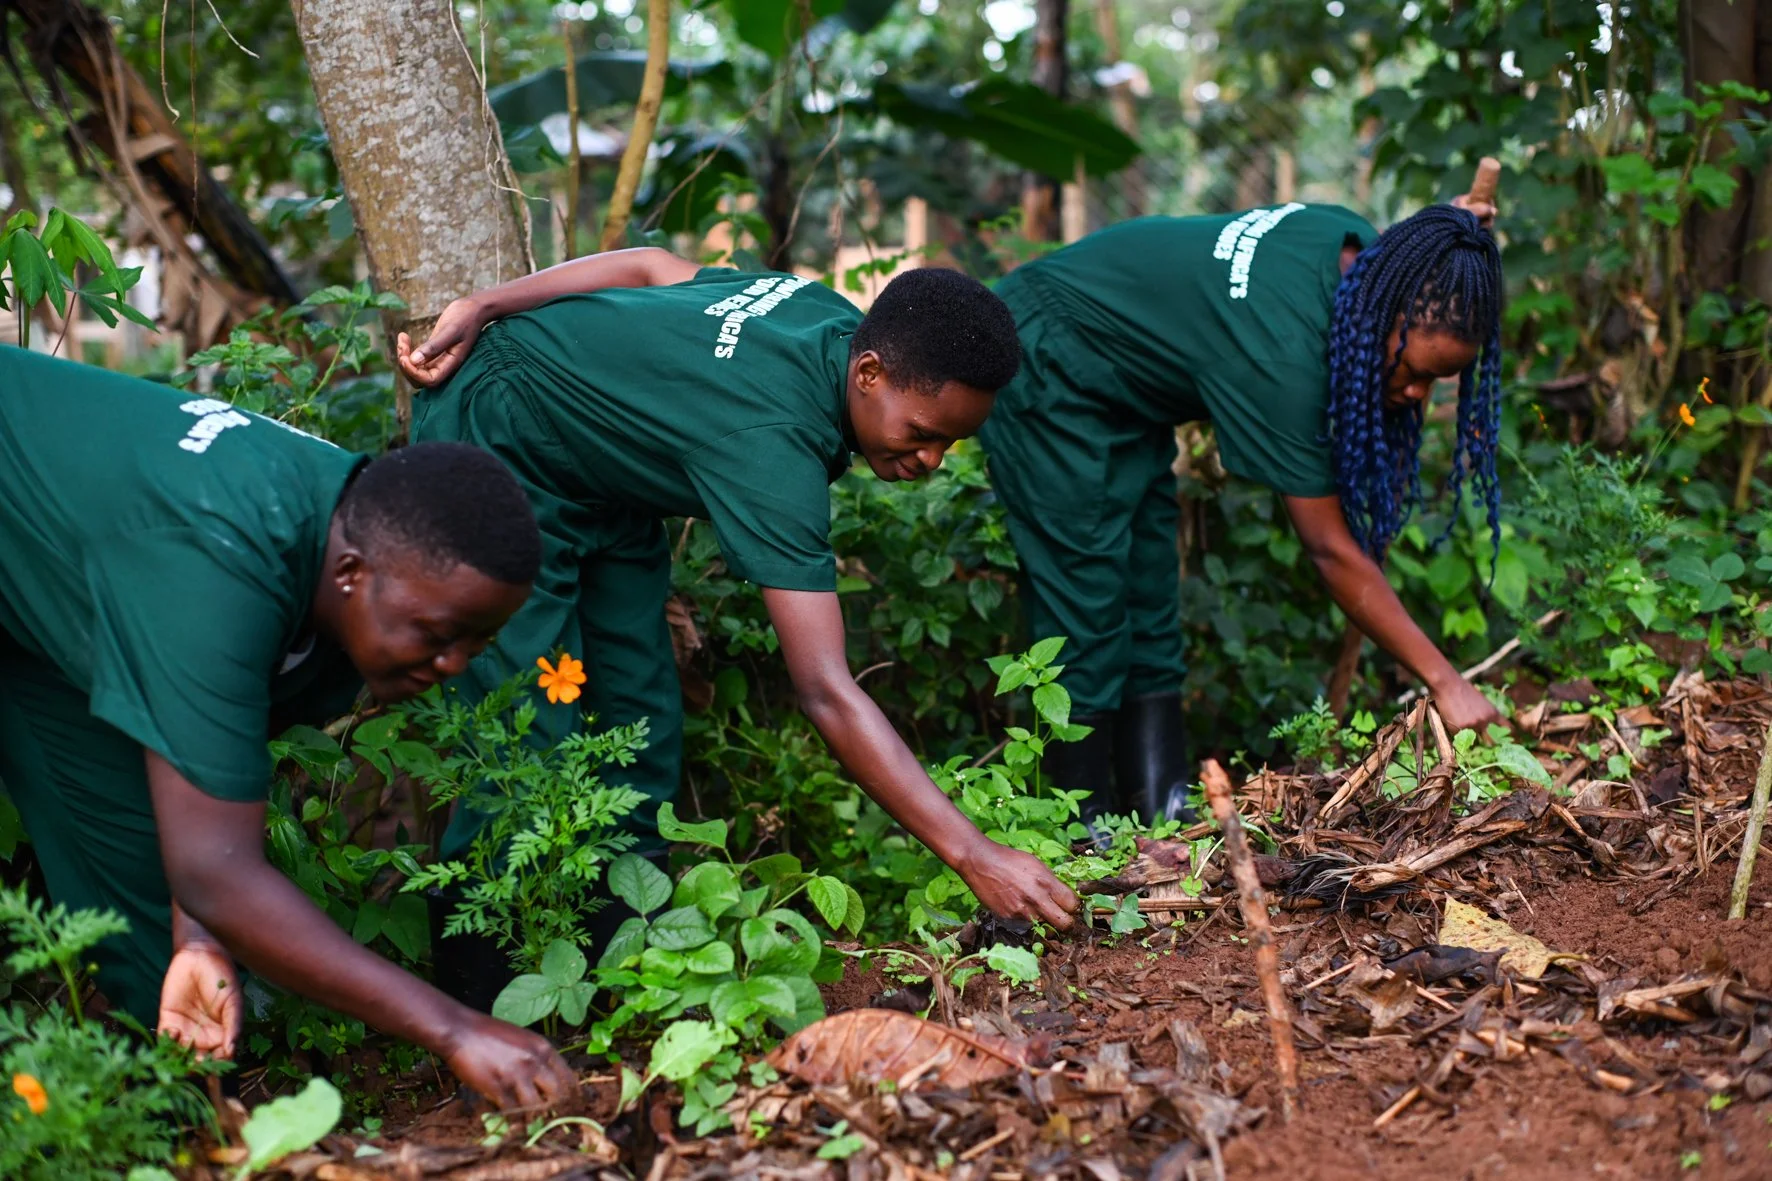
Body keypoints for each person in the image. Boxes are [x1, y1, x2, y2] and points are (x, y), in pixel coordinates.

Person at [395, 252, 1083, 990]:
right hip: (498, 437)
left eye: (951, 442)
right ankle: (476, 1012)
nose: (932, 459)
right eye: (921, 432)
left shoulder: (833, 326)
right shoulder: (773, 443)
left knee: (640, 716)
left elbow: (653, 266)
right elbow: (825, 689)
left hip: (604, 477)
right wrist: (972, 852)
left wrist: (488, 297)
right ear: (871, 373)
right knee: (525, 741)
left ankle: (609, 976)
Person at [0, 346, 576, 1110]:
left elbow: (204, 793)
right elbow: (216, 871)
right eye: (439, 632)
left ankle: (175, 1127)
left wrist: (199, 937)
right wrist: (454, 1028)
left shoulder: (350, 534)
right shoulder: (217, 567)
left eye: (477, 642)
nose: (452, 663)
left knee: (141, 886)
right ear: (350, 577)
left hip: (46, 580)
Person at [976, 199, 1505, 826]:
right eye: (1416, 371)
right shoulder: (1286, 357)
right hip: (1049, 357)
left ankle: (1160, 811)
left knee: (1148, 589)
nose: (1418, 393)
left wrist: (1452, 230)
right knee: (1084, 601)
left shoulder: (1367, 253)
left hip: (1127, 389)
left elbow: (1414, 252)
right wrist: (1445, 681)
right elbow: (1331, 551)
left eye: (1438, 381)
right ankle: (1081, 832)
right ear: (1383, 312)